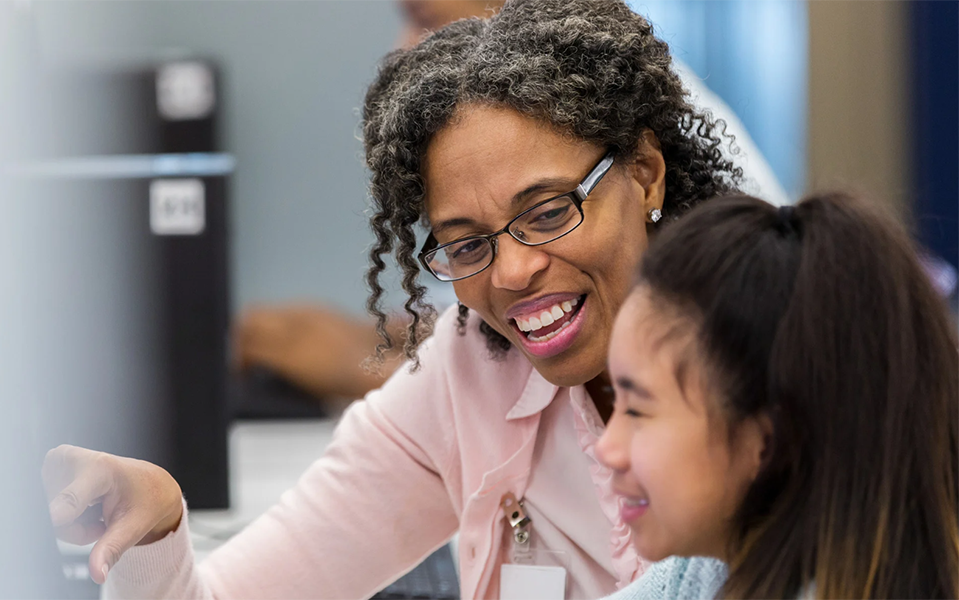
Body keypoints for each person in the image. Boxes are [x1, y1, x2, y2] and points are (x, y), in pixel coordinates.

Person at [43, 2, 750, 598]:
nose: (511, 272)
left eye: (547, 212)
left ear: (647, 174)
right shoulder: (468, 373)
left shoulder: (764, 360)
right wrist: (158, 527)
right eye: (467, 244)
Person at [237, 0, 790, 404]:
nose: (403, 46)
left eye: (425, 20)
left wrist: (353, 365)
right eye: (466, 243)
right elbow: (493, 326)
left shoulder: (627, 124)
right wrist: (370, 341)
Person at [596, 193, 959, 599]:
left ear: (768, 442)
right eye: (616, 401)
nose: (607, 448)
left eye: (639, 410)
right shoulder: (707, 569)